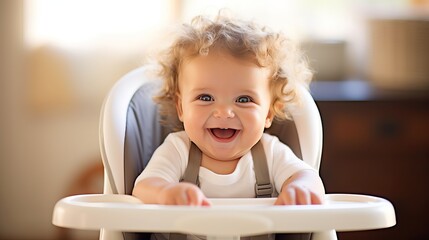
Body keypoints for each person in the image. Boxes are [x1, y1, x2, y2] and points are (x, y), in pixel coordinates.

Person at [132, 12, 325, 238]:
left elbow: (309, 177)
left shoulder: (270, 152)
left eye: (244, 100)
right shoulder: (178, 149)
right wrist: (166, 193)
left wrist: (300, 188)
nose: (223, 112)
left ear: (269, 114)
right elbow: (144, 188)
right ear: (181, 107)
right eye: (205, 97)